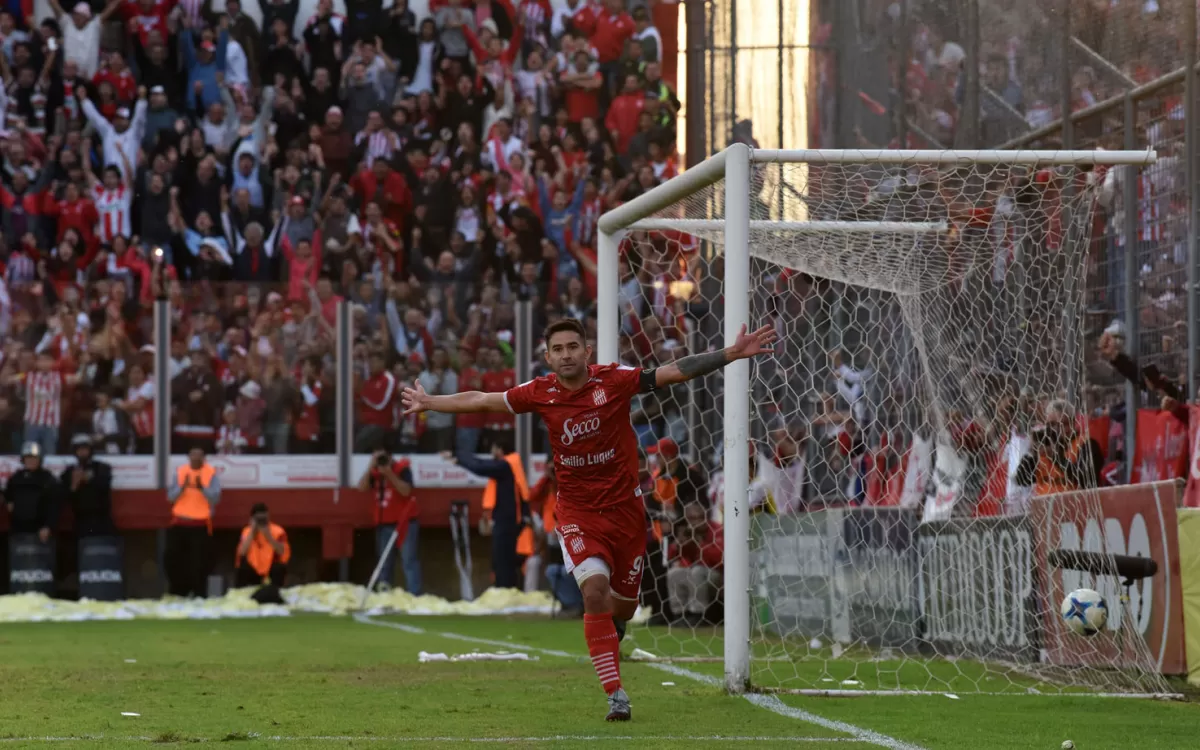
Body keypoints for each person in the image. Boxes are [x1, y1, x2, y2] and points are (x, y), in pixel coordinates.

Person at [402, 317, 777, 721]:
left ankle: (611, 630)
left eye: (572, 347)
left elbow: (673, 371)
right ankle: (616, 694)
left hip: (625, 514)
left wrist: (731, 354)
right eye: (558, 349)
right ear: (547, 357)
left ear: (587, 351)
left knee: (622, 610)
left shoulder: (613, 382)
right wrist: (431, 402)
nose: (566, 355)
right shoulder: (540, 393)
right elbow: (481, 399)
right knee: (594, 590)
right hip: (578, 513)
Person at [451, 445, 530, 589]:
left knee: (503, 560)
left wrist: (458, 460)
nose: (491, 453)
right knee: (502, 559)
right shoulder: (510, 464)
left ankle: (504, 590)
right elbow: (481, 463)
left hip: (507, 521)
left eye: (493, 449)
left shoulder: (505, 466)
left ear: (500, 449)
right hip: (508, 520)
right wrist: (458, 455)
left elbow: (480, 468)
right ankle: (504, 589)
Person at [356, 448, 421, 593]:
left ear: (391, 457)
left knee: (409, 562)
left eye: (384, 457)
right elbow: (361, 488)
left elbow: (406, 491)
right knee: (384, 563)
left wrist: (389, 473)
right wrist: (370, 467)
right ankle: (384, 595)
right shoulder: (374, 472)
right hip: (383, 523)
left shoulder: (402, 469)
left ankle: (415, 596)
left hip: (405, 523)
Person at [165, 446, 222, 597]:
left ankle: (199, 594)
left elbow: (216, 498)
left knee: (199, 563)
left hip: (201, 524)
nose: (196, 460)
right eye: (193, 457)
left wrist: (202, 488)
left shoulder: (210, 473)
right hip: (179, 523)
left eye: (199, 457)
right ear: (188, 458)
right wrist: (183, 488)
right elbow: (170, 497)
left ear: (203, 459)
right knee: (174, 559)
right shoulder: (180, 472)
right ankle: (178, 593)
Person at [666, 503, 723, 625]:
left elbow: (720, 559)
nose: (695, 522)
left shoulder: (717, 530)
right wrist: (679, 544)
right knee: (674, 573)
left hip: (717, 575)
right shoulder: (687, 531)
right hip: (695, 573)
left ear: (705, 516)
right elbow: (671, 557)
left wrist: (700, 543)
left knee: (697, 571)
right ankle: (680, 614)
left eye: (698, 518)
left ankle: (698, 614)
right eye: (691, 519)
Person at [61, 434, 115, 537]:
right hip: (80, 521)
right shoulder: (69, 472)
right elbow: (64, 497)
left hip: (102, 520)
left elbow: (104, 485)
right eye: (79, 449)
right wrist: (74, 485)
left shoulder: (102, 468)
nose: (82, 452)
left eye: (85, 448)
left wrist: (88, 478)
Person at [235, 503, 290, 588]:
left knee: (279, 569)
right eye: (258, 519)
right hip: (253, 568)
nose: (261, 522)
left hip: (271, 568)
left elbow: (281, 551)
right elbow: (242, 552)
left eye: (264, 519)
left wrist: (268, 536)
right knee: (242, 570)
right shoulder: (247, 531)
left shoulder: (278, 531)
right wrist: (252, 532)